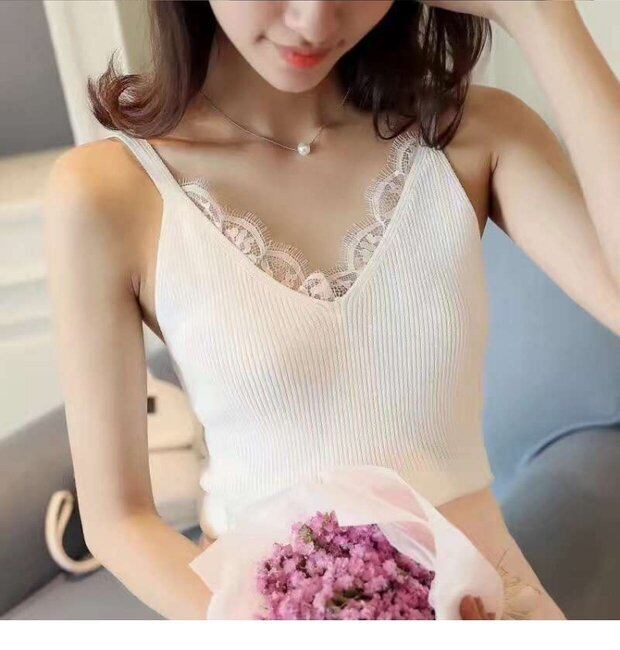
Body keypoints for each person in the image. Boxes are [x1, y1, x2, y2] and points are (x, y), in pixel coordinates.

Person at [42, 1, 619, 620]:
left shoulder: (474, 135)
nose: (314, 21)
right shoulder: (108, 190)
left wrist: (540, 13)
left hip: (495, 616)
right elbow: (118, 519)